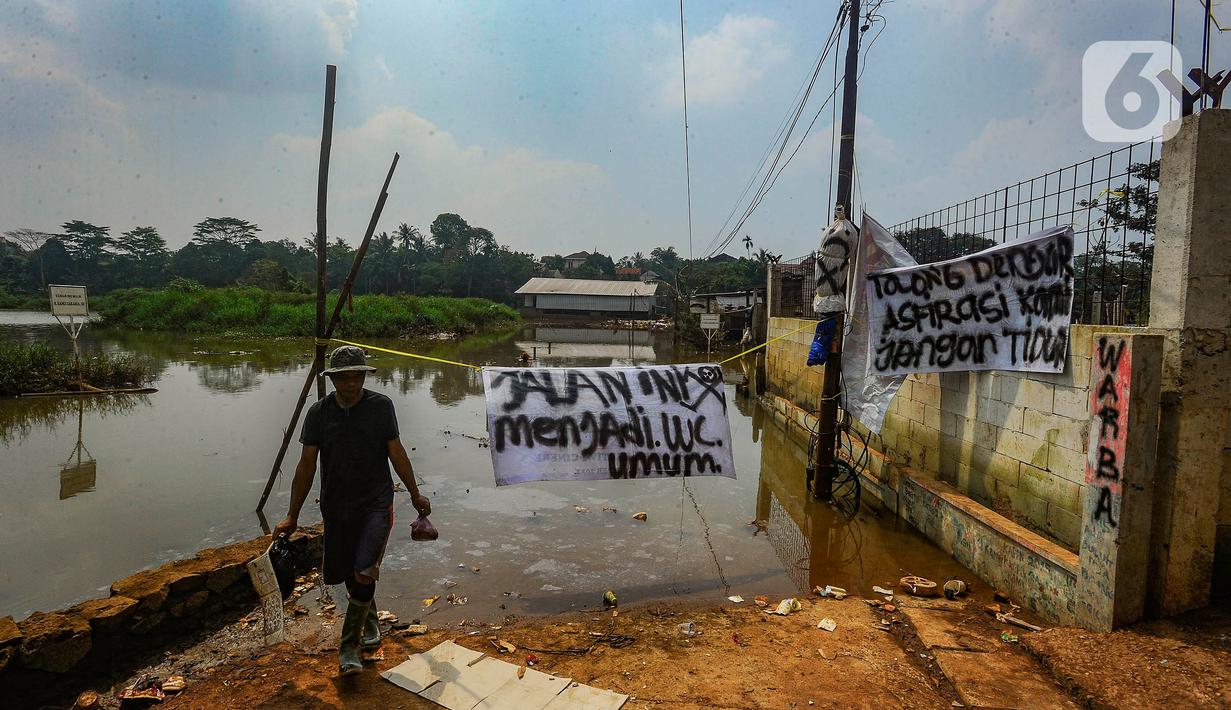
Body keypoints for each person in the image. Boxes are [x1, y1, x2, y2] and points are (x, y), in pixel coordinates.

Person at [274, 345, 431, 676]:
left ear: (363, 376)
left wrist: (415, 493)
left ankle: (349, 646)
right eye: (343, 379)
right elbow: (306, 466)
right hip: (336, 505)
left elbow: (396, 451)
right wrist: (292, 515)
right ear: (333, 380)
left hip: (376, 502)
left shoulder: (380, 407)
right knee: (347, 572)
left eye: (356, 377)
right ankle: (370, 620)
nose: (350, 385)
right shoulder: (318, 413)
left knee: (364, 571)